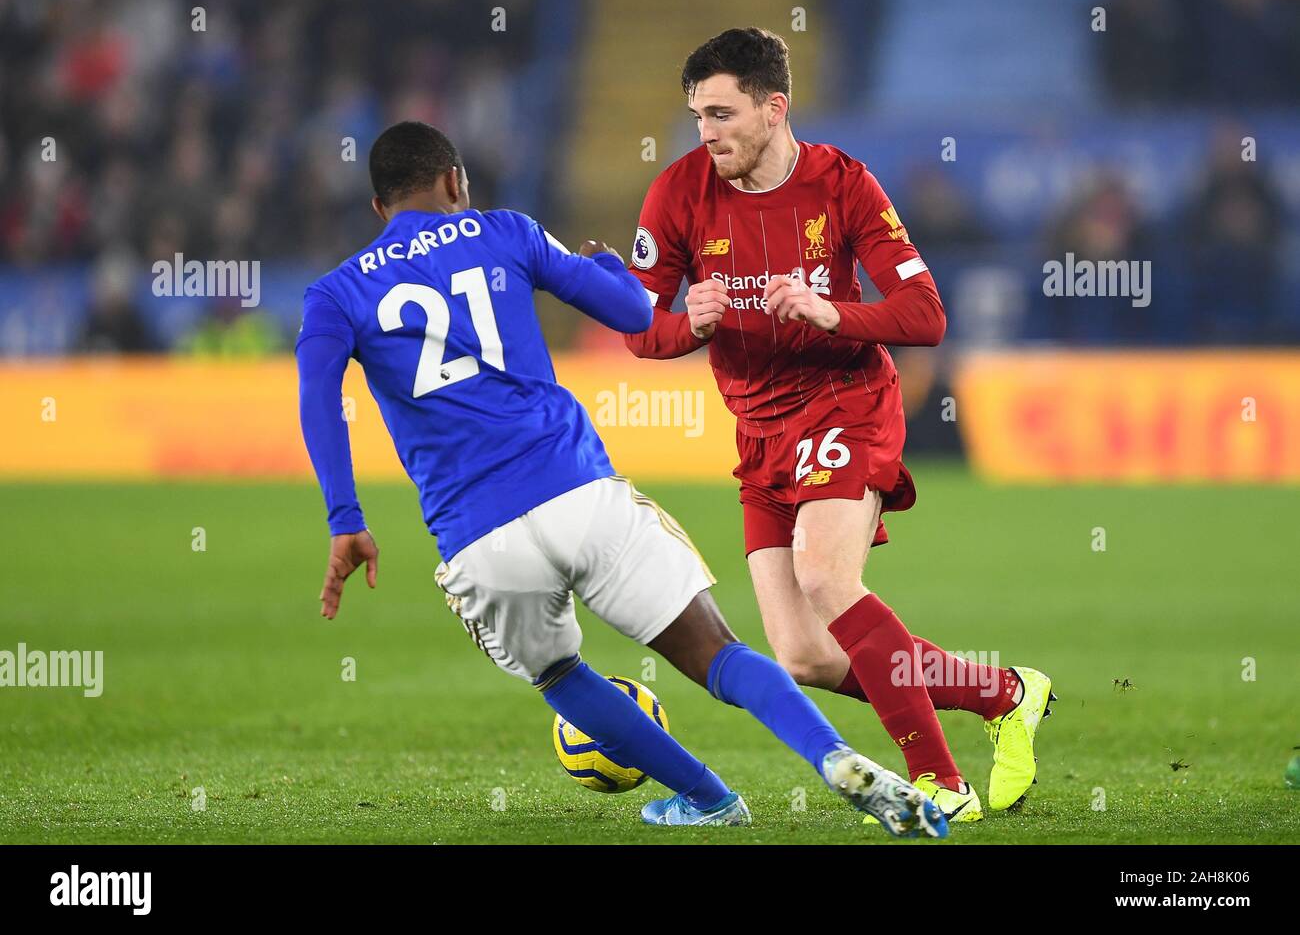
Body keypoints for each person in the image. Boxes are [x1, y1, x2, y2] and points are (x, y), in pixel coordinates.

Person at [295, 121, 946, 837]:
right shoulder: (504, 230)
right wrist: (605, 269)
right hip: (577, 490)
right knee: (720, 655)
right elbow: (637, 312)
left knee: (561, 677)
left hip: (476, 532)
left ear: (377, 207)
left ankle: (710, 799)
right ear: (455, 182)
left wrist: (345, 519)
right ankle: (835, 756)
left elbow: (318, 402)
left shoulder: (334, 294)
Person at [623, 28, 1054, 820]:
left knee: (826, 578)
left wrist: (834, 312)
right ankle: (1004, 692)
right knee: (805, 655)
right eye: (695, 117)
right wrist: (691, 327)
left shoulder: (845, 185)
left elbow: (925, 316)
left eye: (720, 113)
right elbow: (637, 327)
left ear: (773, 106)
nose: (705, 132)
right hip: (759, 433)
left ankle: (939, 780)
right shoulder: (679, 193)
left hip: (845, 405)